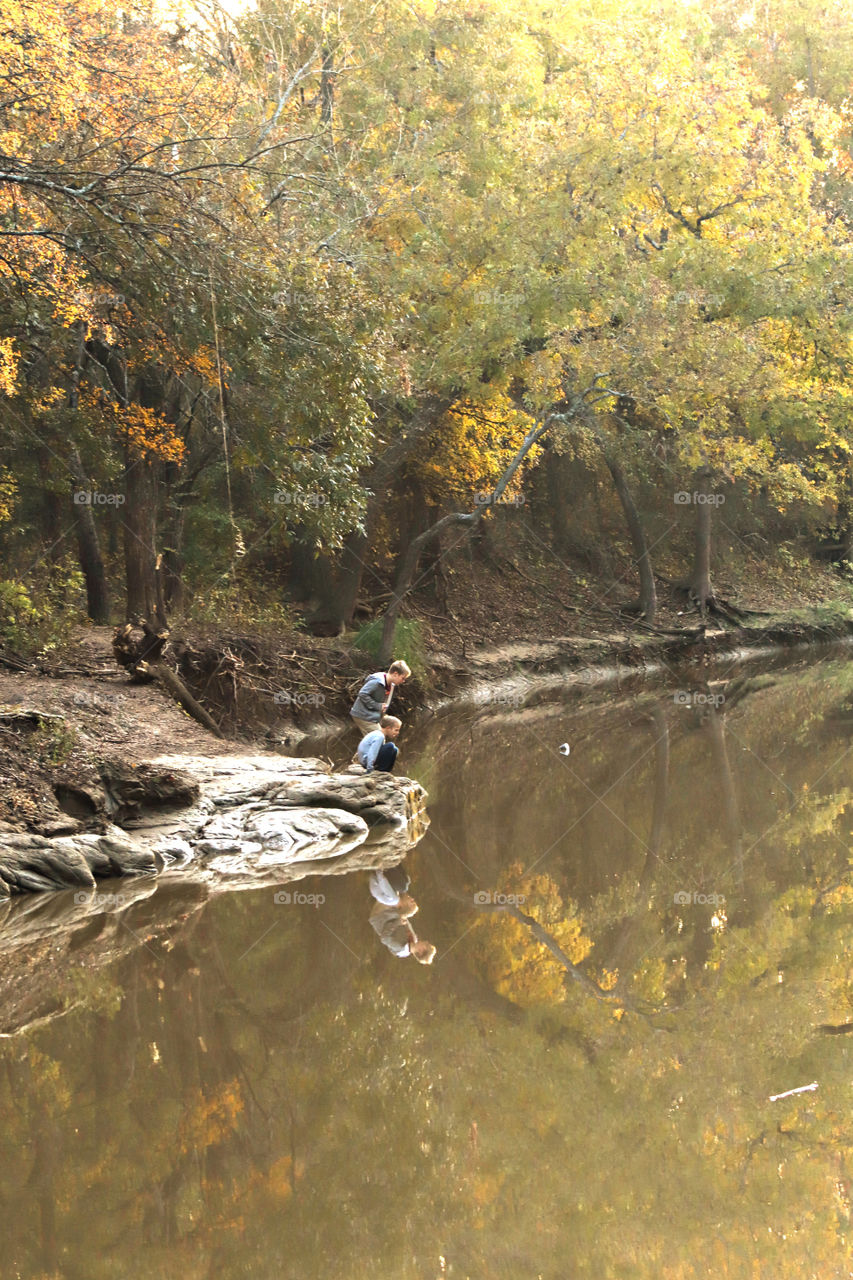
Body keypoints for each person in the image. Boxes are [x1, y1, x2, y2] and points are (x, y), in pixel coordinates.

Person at [350, 660, 411, 736]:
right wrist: (378, 706)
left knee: (375, 741)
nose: (403, 681)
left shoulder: (390, 685)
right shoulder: (377, 681)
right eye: (403, 678)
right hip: (362, 715)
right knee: (379, 738)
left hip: (372, 716)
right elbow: (362, 694)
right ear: (395, 674)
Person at [369, 898, 436, 963]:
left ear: (420, 951)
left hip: (380, 917)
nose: (426, 941)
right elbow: (405, 920)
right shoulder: (413, 938)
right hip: (391, 913)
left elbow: (384, 938)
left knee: (393, 895)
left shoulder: (400, 947)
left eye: (426, 945)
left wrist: (397, 922)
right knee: (407, 903)